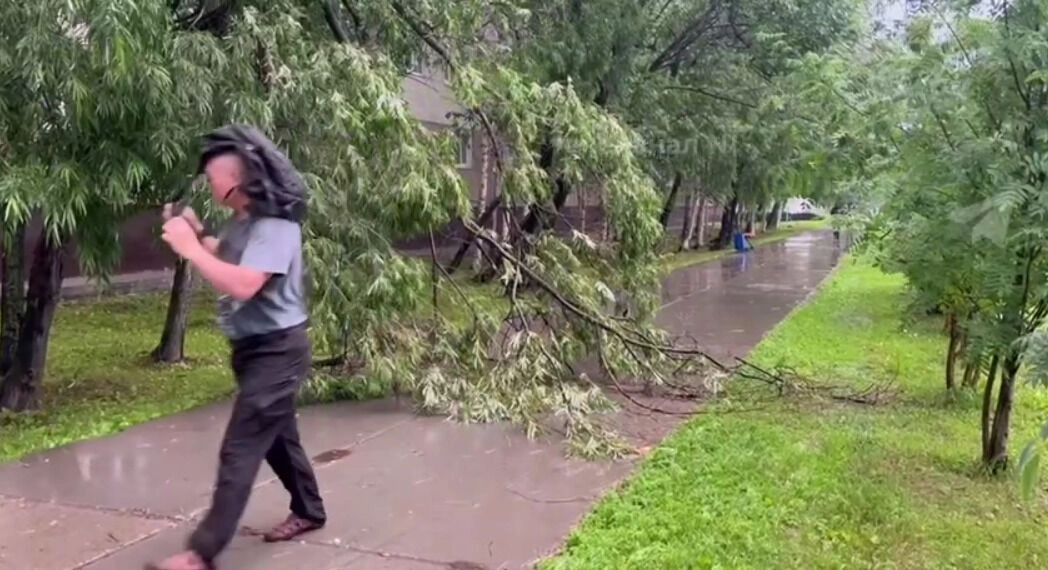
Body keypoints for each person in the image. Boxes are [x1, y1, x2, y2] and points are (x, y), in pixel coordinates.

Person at [148, 125, 326, 570]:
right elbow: (228, 260)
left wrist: (191, 249)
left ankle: (200, 555)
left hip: (278, 351)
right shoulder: (245, 223)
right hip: (254, 350)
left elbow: (246, 284)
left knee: (241, 446)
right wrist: (198, 233)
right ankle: (309, 510)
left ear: (236, 179)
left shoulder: (276, 226)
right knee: (278, 439)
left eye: (212, 178)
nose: (210, 185)